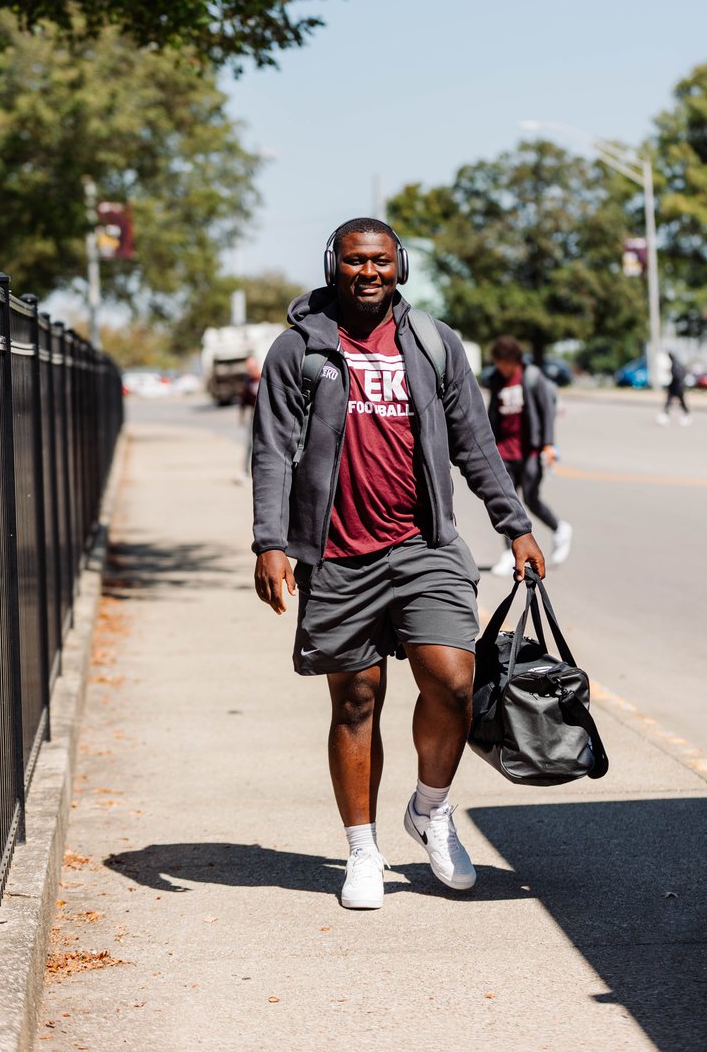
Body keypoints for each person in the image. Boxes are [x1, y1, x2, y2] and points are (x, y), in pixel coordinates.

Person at [251, 217, 545, 910]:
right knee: (356, 699)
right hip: (338, 555)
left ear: (400, 265)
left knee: (453, 679)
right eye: (355, 261)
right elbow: (269, 451)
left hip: (425, 546)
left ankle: (431, 811)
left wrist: (516, 526)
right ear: (334, 265)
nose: (369, 273)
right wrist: (270, 541)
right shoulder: (299, 350)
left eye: (381, 261)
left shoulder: (434, 344)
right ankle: (361, 850)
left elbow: (475, 442)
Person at [485, 335, 572, 573]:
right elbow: (492, 412)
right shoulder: (495, 380)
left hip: (529, 450)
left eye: (504, 362)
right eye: (498, 362)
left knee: (531, 499)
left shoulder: (532, 377)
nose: (501, 367)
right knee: (507, 502)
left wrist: (548, 445)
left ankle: (559, 529)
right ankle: (508, 553)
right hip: (503, 451)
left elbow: (546, 412)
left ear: (514, 360)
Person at [237, 356, 262, 479]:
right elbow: (243, 401)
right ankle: (246, 470)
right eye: (249, 369)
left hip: (266, 415)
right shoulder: (248, 383)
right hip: (254, 415)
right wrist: (241, 416)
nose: (251, 370)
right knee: (250, 443)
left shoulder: (265, 378)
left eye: (252, 367)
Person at [657, 352, 691, 425]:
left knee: (671, 401)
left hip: (676, 387)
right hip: (679, 387)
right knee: (678, 401)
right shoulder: (678, 364)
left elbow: (676, 376)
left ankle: (666, 414)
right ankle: (685, 413)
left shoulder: (674, 365)